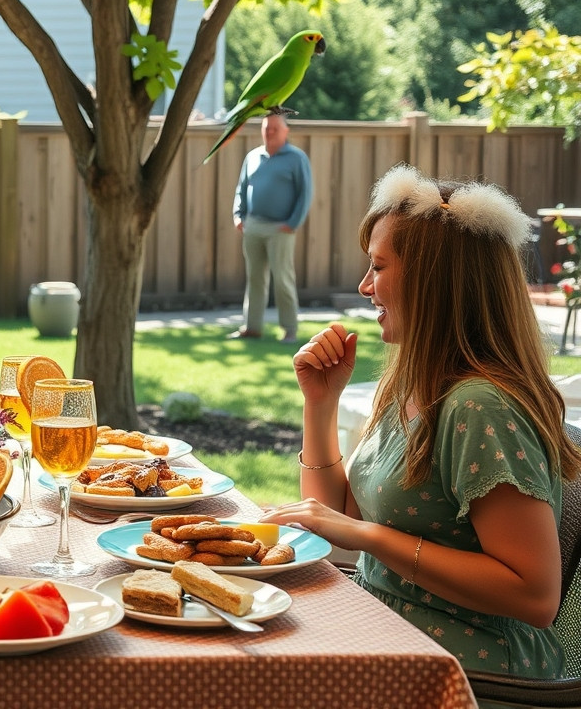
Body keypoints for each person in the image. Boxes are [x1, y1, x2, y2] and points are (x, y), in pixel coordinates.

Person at [263, 163, 581, 678]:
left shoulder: (480, 407)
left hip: (464, 671)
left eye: (379, 267)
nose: (365, 286)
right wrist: (319, 404)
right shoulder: (415, 382)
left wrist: (368, 536)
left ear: (435, 280)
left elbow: (534, 593)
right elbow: (337, 517)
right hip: (384, 632)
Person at [230, 113, 312, 343]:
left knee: (283, 278)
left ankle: (290, 329)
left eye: (275, 128)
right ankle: (252, 327)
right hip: (253, 225)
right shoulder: (253, 157)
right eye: (267, 127)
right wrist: (239, 216)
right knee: (255, 278)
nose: (270, 131)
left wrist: (292, 223)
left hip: (281, 228)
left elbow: (305, 194)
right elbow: (241, 189)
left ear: (286, 131)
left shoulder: (297, 159)